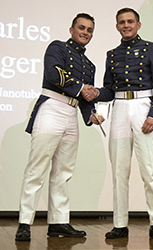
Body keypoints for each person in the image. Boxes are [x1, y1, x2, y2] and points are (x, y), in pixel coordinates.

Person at [15, 13, 104, 241]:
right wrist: (82, 88)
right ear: (71, 29)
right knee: (37, 168)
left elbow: (84, 99)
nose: (85, 32)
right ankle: (25, 222)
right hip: (51, 107)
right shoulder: (57, 47)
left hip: (71, 113)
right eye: (81, 28)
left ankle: (58, 222)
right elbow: (53, 74)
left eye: (89, 30)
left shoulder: (89, 64)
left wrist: (92, 115)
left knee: (64, 172)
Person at [91, 8, 153, 241]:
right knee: (119, 171)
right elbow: (109, 88)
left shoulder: (151, 48)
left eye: (130, 21)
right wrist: (95, 94)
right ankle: (120, 224)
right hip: (119, 111)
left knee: (150, 171)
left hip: (143, 109)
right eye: (121, 22)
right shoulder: (112, 54)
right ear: (117, 26)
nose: (126, 25)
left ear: (138, 24)